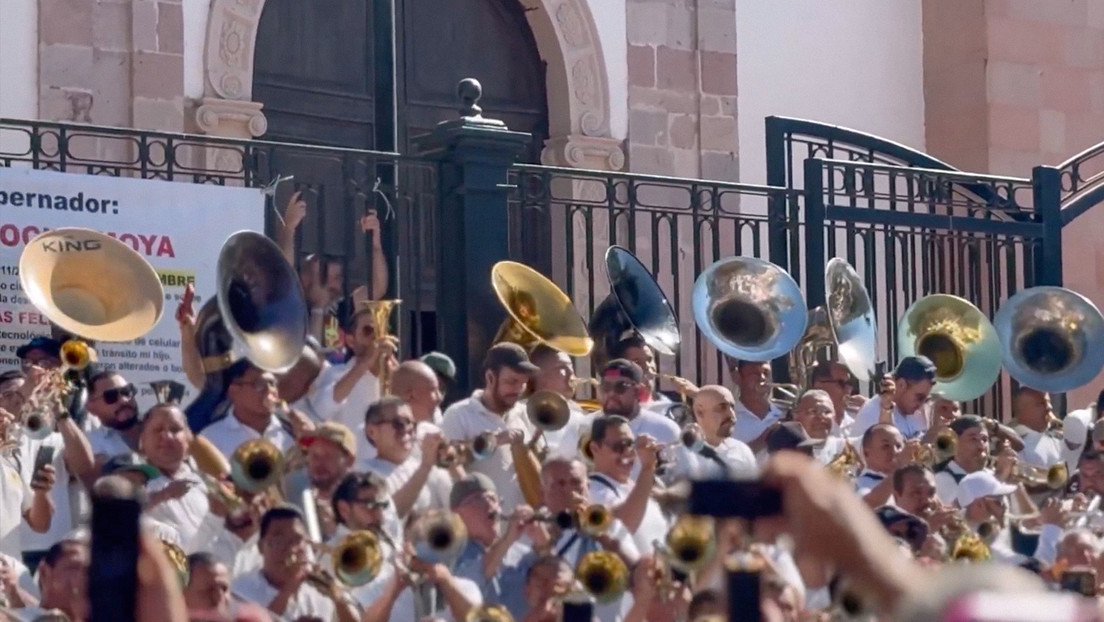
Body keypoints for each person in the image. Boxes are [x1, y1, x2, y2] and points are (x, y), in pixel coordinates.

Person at [440, 343, 540, 514]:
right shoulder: (458, 414)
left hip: (525, 531)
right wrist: (491, 442)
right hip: (482, 530)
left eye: (523, 383)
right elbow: (446, 466)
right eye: (512, 381)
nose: (518, 390)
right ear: (490, 378)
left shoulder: (526, 413)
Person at [851, 356, 937, 441]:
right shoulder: (874, 414)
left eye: (925, 399)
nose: (921, 405)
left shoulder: (909, 411)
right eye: (919, 397)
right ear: (901, 385)